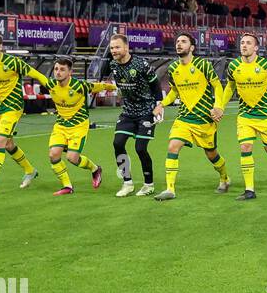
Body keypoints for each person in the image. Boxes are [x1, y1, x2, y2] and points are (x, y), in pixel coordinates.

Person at [154, 32, 231, 201]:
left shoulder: (203, 65)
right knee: (173, 146)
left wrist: (218, 106)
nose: (179, 44)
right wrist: (162, 104)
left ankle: (224, 177)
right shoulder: (173, 68)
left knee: (212, 154)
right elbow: (174, 91)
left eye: (183, 41)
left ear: (192, 47)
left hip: (204, 120)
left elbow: (217, 86)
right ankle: (170, 189)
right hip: (184, 118)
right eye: (177, 41)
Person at [220, 32, 267, 201]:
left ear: (256, 48)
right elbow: (230, 87)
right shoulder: (233, 66)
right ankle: (249, 190)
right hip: (245, 116)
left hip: (265, 116)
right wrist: (220, 107)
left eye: (248, 43)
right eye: (242, 43)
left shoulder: (266, 65)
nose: (244, 45)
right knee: (245, 148)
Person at [0, 33, 50, 193]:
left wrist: (50, 86)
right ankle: (30, 170)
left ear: (0, 47)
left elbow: (34, 73)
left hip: (13, 107)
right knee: (8, 144)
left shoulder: (13, 62)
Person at [101, 33, 163, 197]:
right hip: (128, 111)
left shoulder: (140, 63)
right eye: (112, 47)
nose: (114, 50)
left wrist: (159, 105)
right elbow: (109, 77)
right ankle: (127, 182)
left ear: (126, 47)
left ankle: (148, 184)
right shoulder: (113, 64)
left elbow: (155, 84)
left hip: (146, 111)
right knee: (118, 143)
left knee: (140, 148)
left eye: (117, 47)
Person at [46, 57, 112, 195]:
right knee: (53, 155)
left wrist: (110, 86)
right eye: (56, 69)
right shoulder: (51, 85)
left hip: (79, 126)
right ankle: (67, 186)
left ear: (70, 72)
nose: (58, 72)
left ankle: (95, 169)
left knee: (72, 158)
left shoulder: (79, 86)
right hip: (61, 125)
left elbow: (97, 86)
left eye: (62, 69)